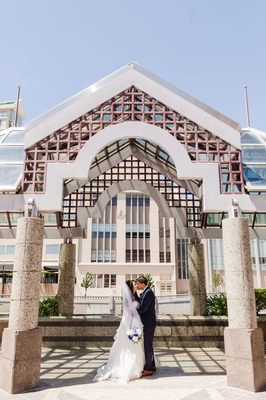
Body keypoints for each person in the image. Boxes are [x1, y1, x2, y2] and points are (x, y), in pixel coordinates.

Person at [93, 280, 145, 383]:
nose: (136, 285)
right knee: (126, 344)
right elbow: (127, 312)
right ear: (131, 287)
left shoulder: (136, 296)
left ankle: (139, 365)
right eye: (134, 284)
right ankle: (127, 367)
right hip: (128, 322)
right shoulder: (127, 298)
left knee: (137, 344)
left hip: (136, 322)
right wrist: (129, 326)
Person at [135, 276, 156, 377]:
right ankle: (151, 365)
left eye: (138, 284)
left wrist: (132, 313)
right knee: (149, 344)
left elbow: (144, 309)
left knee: (147, 345)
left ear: (143, 284)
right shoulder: (146, 292)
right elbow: (140, 301)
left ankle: (148, 369)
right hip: (148, 323)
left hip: (148, 323)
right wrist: (134, 293)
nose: (137, 285)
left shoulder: (148, 293)